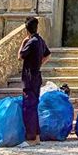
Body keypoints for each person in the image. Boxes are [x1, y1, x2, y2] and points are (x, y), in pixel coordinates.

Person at [18, 16, 51, 145]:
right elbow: (48, 54)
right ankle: (36, 137)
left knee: (29, 109)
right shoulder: (40, 40)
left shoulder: (31, 42)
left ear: (26, 29)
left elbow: (20, 56)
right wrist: (39, 64)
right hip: (36, 77)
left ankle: (31, 138)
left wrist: (24, 41)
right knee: (34, 107)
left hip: (29, 78)